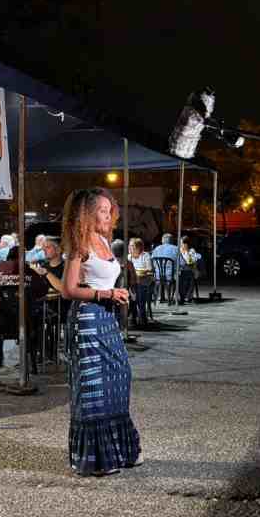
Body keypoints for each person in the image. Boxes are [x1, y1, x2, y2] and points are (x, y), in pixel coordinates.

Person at [59, 188, 141, 475]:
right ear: (87, 214)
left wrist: (117, 293)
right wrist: (106, 294)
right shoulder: (78, 245)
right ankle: (96, 459)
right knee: (94, 386)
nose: (108, 215)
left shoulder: (104, 241)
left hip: (107, 318)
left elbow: (105, 279)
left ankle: (121, 449)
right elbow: (68, 289)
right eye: (102, 211)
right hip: (86, 319)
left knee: (120, 374)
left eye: (109, 210)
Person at [128, 238, 153, 326]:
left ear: (139, 247)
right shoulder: (129, 257)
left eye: (132, 246)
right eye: (129, 245)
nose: (130, 247)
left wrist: (140, 271)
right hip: (133, 281)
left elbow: (149, 269)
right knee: (131, 294)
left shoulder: (145, 255)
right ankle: (133, 317)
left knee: (139, 292)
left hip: (145, 280)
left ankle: (142, 318)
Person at [150, 233, 181, 302]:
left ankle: (160, 297)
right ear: (172, 240)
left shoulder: (156, 249)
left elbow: (151, 262)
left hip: (157, 275)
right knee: (182, 275)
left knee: (161, 274)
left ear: (162, 240)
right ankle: (176, 297)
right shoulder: (176, 249)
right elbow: (182, 263)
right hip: (170, 275)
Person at [178, 236, 201, 304]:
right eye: (180, 243)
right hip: (181, 270)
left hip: (191, 270)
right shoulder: (178, 250)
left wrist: (186, 252)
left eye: (182, 243)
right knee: (182, 275)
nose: (181, 245)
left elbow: (190, 262)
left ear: (186, 244)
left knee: (188, 274)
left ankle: (187, 296)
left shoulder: (191, 251)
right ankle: (183, 296)